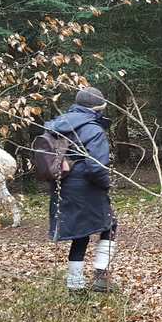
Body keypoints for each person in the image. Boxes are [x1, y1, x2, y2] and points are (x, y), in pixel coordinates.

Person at [45, 87, 116, 292]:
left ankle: (75, 285)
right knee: (110, 225)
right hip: (87, 188)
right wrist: (106, 184)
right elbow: (97, 167)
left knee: (81, 233)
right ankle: (102, 278)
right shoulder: (93, 128)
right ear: (98, 107)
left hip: (61, 186)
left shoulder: (58, 124)